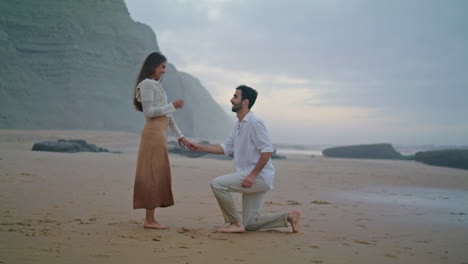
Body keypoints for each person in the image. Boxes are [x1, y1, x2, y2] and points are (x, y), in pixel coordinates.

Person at [187, 85, 300, 233]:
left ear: (245, 102)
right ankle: (288, 217)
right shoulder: (239, 125)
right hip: (251, 175)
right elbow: (225, 148)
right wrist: (199, 147)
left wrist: (252, 175)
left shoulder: (254, 122)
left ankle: (234, 223)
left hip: (258, 176)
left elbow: (267, 151)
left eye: (235, 97)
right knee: (251, 224)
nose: (231, 100)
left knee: (218, 184)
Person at [132, 51, 188, 229]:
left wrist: (179, 136)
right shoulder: (146, 84)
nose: (164, 71)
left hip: (160, 134)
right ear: (154, 66)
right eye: (162, 67)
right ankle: (149, 220)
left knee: (157, 173)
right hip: (152, 134)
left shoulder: (156, 85)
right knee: (152, 174)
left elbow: (167, 115)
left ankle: (151, 218)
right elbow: (148, 113)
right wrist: (173, 105)